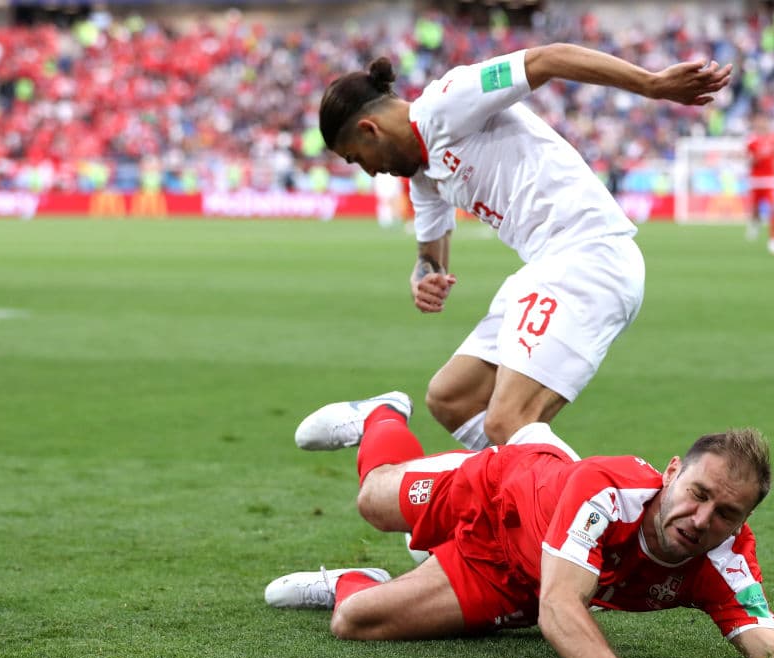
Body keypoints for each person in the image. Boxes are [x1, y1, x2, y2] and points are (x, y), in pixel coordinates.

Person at [268, 394, 774, 658]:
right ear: (672, 473)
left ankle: (353, 580)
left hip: (520, 579)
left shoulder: (726, 558)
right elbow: (561, 608)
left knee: (354, 619)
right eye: (697, 494)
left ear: (743, 521)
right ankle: (381, 416)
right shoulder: (607, 491)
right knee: (373, 500)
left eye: (726, 513)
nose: (702, 520)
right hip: (497, 491)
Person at [304, 44, 732, 453]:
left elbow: (549, 58)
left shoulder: (447, 102)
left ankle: (592, 500)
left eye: (356, 158)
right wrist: (425, 277)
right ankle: (530, 493)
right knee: (451, 399)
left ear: (370, 129)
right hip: (548, 266)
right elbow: (430, 255)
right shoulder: (422, 176)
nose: (370, 171)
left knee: (507, 420)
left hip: (589, 254)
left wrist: (652, 84)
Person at [745, 114, 774, 255]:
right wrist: (755, 159)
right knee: (755, 209)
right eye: (759, 122)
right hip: (756, 180)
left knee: (773, 209)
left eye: (764, 122)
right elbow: (748, 161)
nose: (762, 125)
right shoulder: (751, 141)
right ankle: (755, 222)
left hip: (770, 180)